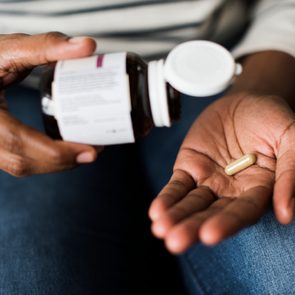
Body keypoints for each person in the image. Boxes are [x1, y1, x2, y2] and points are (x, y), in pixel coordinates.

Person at [0, 0, 295, 294]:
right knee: (33, 280)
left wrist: (260, 86)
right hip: (24, 84)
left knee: (283, 275)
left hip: (222, 64)